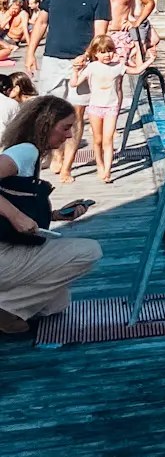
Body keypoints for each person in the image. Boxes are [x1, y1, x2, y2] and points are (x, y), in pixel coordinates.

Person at [0, 97, 103, 334]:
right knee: (90, 251)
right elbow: (15, 212)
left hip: (9, 248)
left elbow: (18, 201)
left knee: (57, 303)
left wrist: (56, 215)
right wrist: (16, 216)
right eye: (65, 127)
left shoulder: (26, 154)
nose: (69, 135)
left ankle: (7, 304)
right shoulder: (26, 151)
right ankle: (7, 309)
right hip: (4, 253)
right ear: (46, 124)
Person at [23, 0, 110, 181]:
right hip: (52, 57)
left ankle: (68, 166)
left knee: (76, 114)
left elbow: (100, 34)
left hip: (79, 62)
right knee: (49, 112)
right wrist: (31, 52)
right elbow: (41, 22)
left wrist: (87, 56)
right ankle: (55, 154)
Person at [72, 33, 132, 185]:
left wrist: (147, 58)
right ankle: (99, 163)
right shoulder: (91, 67)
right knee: (97, 140)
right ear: (95, 53)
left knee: (108, 139)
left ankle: (107, 170)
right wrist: (75, 70)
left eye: (110, 51)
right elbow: (75, 83)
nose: (107, 55)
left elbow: (136, 70)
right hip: (95, 107)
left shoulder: (117, 67)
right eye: (102, 52)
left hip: (111, 106)